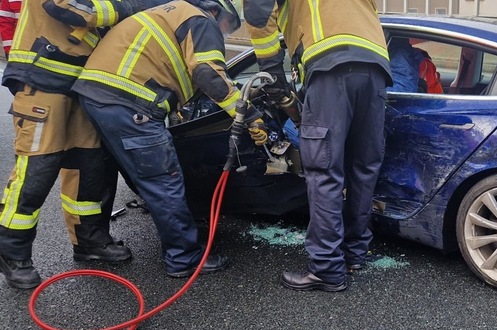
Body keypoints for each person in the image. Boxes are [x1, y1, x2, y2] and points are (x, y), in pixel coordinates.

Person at [71, 0, 266, 278]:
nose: (222, 34)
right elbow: (208, 73)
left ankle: (94, 240)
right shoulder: (201, 20)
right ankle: (184, 258)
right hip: (129, 102)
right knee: (164, 179)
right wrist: (248, 115)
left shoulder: (172, 12)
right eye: (226, 26)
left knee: (130, 172)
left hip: (99, 95)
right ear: (215, 10)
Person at [0, 0, 169, 289]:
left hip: (82, 86)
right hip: (42, 81)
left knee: (90, 168)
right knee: (38, 168)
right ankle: (12, 252)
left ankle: (89, 240)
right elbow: (72, 9)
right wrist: (132, 6)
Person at [244, 0, 392, 292]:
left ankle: (326, 269)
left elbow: (258, 10)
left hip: (329, 65)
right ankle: (354, 254)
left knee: (323, 171)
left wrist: (273, 74)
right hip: (375, 66)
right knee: (363, 168)